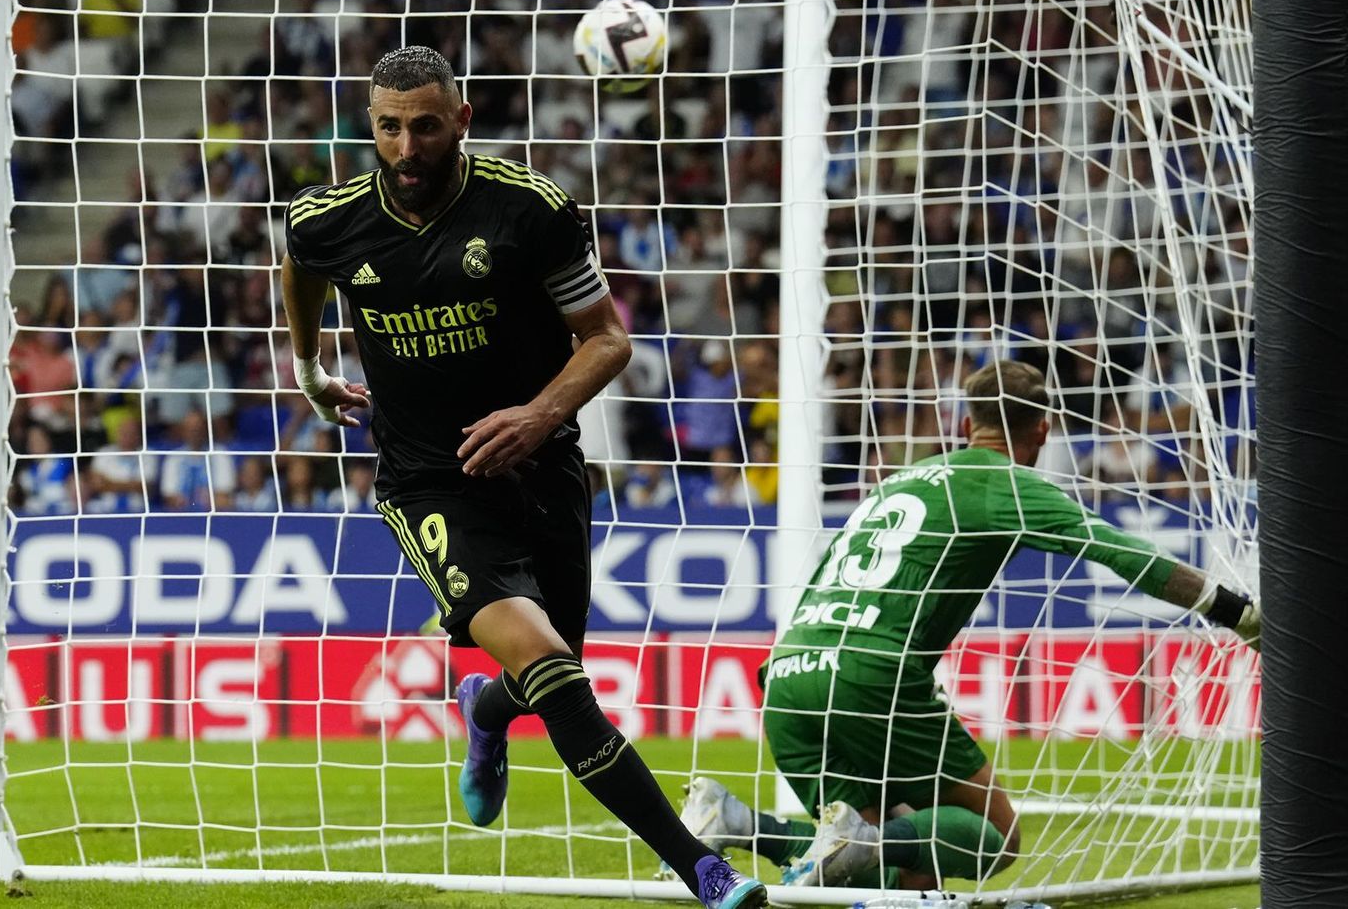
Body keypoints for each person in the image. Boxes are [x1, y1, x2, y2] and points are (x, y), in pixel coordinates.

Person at [279, 45, 766, 909]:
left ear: (463, 120)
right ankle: (702, 867)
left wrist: (538, 415)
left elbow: (607, 339)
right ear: (371, 127)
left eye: (426, 127)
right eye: (389, 128)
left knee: (551, 672)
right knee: (551, 666)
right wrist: (311, 368)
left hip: (543, 468)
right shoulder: (328, 219)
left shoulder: (531, 209)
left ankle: (486, 710)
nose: (406, 148)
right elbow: (303, 266)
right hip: (429, 484)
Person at [675, 360, 1261, 892]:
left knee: (895, 877)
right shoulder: (1006, 483)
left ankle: (740, 822)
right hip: (872, 672)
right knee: (996, 839)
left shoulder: (901, 480)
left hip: (788, 674)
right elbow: (1126, 554)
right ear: (1042, 431)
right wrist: (1242, 615)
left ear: (964, 425)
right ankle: (850, 837)